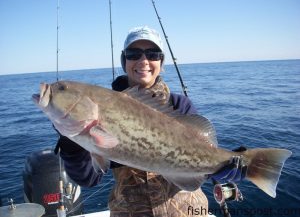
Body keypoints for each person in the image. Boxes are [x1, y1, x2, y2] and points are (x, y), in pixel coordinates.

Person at [56, 26, 246, 217]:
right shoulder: (101, 109)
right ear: (124, 61)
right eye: (133, 54)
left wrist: (222, 166)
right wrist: (72, 144)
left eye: (153, 54)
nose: (143, 61)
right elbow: (88, 178)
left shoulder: (179, 105)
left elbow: (201, 155)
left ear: (161, 62)